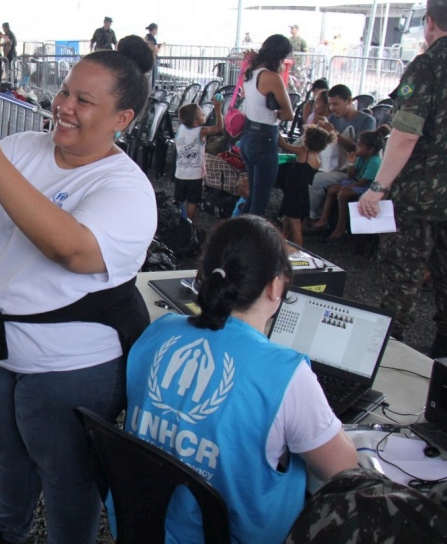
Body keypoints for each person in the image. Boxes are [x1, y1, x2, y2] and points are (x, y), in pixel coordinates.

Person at [0, 36, 157, 543]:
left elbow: (70, 249)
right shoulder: (22, 149)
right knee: (5, 454)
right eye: (66, 92)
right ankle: (5, 530)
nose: (65, 106)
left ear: (123, 118)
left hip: (71, 365)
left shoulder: (126, 188)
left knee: (68, 477)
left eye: (84, 101)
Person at [121, 215, 358, 543]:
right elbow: (346, 470)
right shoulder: (285, 374)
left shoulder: (159, 332)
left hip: (149, 528)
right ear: (276, 286)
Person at [358, 0, 447, 353]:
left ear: (428, 23)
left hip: (417, 200)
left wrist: (377, 188)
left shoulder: (427, 66)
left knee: (401, 285)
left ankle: (392, 364)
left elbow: (406, 134)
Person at [306, 84, 377, 230]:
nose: (332, 108)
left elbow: (360, 151)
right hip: (334, 165)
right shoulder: (334, 118)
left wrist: (335, 134)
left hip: (354, 171)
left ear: (349, 101)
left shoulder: (367, 121)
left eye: (336, 104)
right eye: (330, 104)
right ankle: (305, 216)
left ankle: (314, 217)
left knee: (316, 180)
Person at [239, 34, 294, 217]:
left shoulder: (250, 69)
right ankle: (249, 240)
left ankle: (237, 230)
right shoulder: (272, 77)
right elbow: (288, 114)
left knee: (253, 195)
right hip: (264, 138)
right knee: (260, 202)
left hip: (247, 135)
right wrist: (275, 113)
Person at [312, 127, 388, 240]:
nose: (356, 148)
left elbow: (363, 182)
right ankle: (323, 220)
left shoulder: (374, 162)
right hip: (357, 181)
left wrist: (346, 187)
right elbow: (352, 175)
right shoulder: (362, 157)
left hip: (369, 187)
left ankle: (341, 226)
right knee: (332, 189)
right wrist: (351, 163)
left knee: (343, 194)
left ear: (370, 150)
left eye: (360, 146)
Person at [278, 125, 333, 247]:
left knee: (296, 228)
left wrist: (276, 130)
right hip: (302, 194)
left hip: (293, 194)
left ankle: (300, 253)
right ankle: (282, 241)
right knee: (288, 221)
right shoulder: (317, 160)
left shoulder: (303, 152)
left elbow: (284, 145)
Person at [174, 99, 225, 220]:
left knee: (179, 199)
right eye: (202, 114)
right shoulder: (201, 131)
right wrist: (217, 108)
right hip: (195, 175)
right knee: (193, 201)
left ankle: (179, 220)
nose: (204, 115)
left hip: (180, 173)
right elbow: (219, 128)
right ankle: (189, 223)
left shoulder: (181, 127)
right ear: (196, 122)